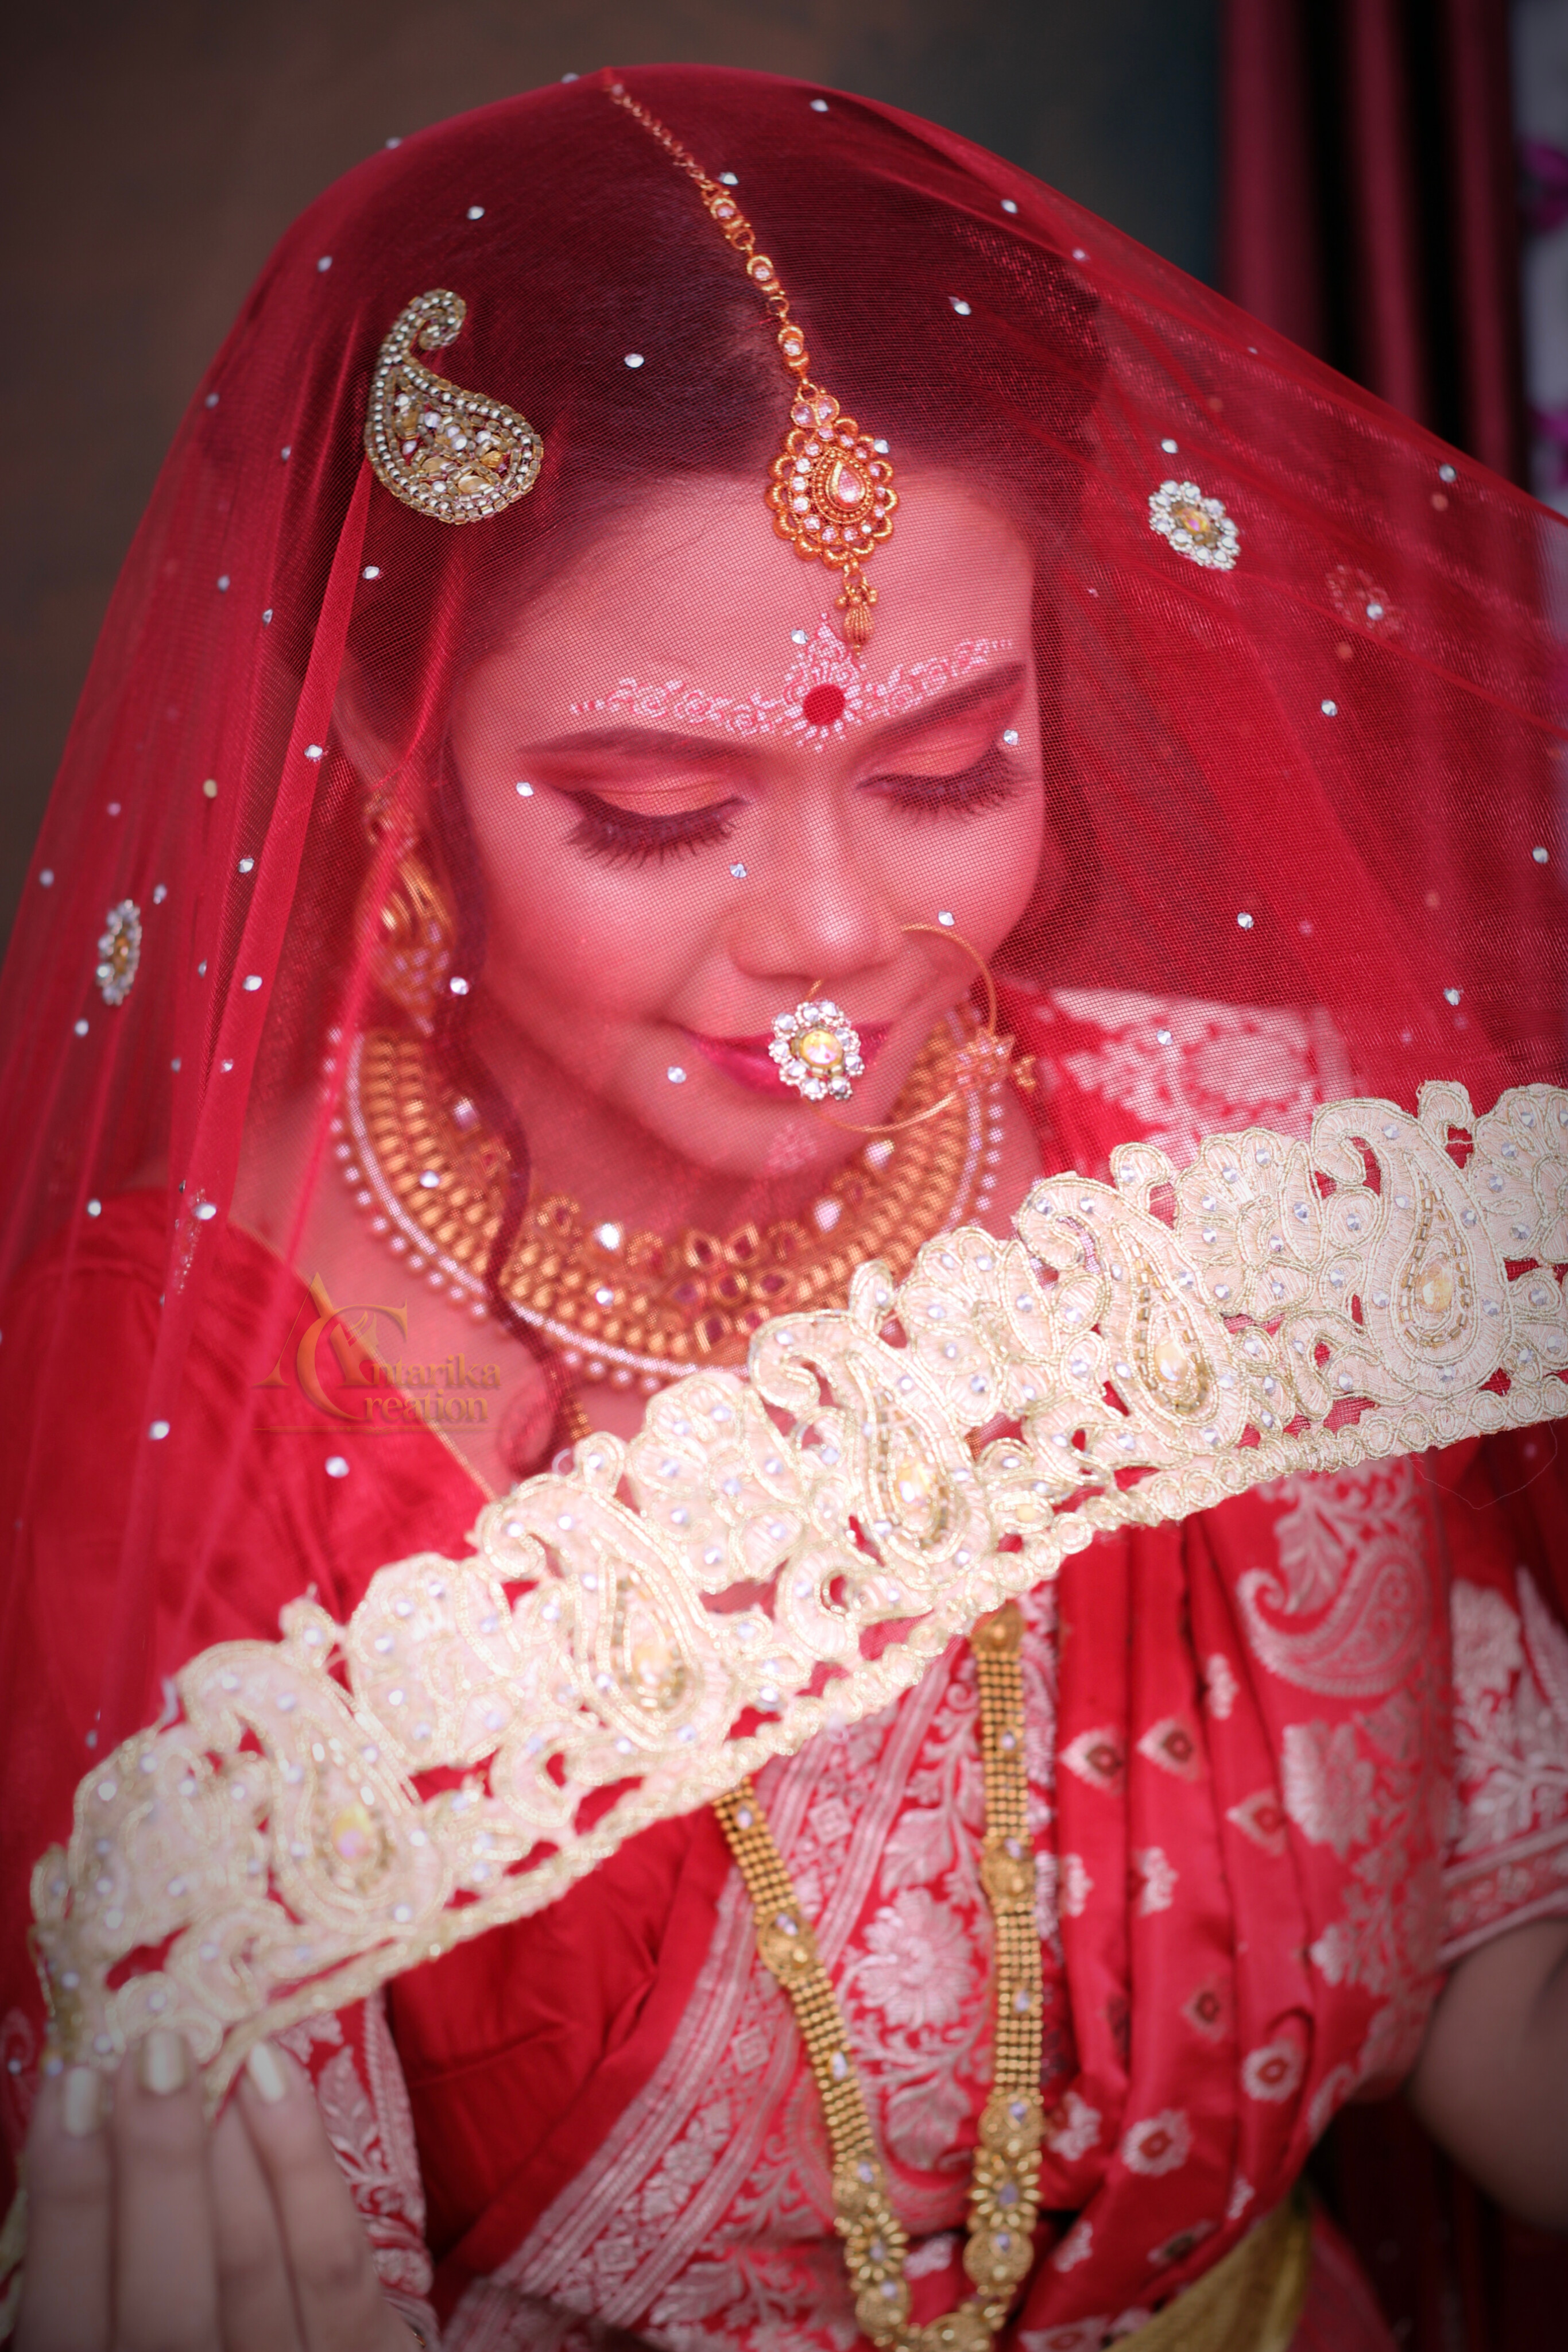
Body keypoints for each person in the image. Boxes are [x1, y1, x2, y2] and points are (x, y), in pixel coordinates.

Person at [2, 63, 1566, 2352]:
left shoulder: (1233, 1177)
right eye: (653, 809)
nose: (832, 932)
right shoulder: (192, 1428)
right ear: (386, 755)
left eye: (946, 767)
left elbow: (1497, 1978)